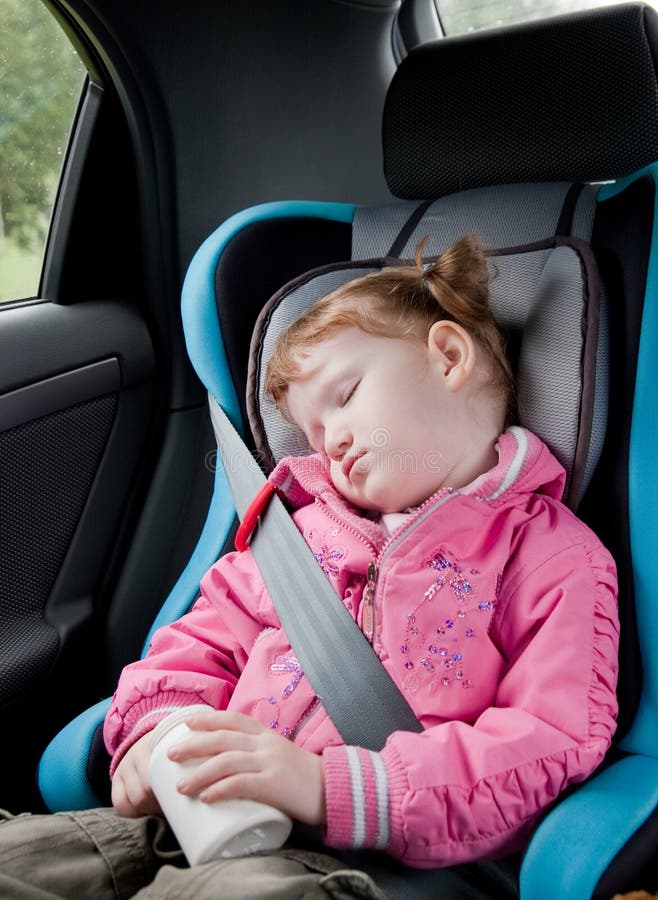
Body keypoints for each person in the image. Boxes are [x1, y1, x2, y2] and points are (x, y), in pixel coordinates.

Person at [0, 235, 619, 899]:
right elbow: (196, 645)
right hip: (199, 819)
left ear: (448, 357)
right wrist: (157, 733)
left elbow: (547, 744)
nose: (331, 443)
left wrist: (331, 789)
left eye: (345, 394)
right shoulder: (297, 540)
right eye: (314, 433)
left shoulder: (552, 556)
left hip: (359, 859)